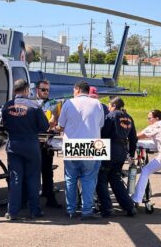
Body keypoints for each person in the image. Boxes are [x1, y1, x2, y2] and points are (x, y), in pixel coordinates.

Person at [2, 79, 49, 220]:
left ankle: (12, 212)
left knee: (15, 178)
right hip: (31, 145)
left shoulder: (6, 106)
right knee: (33, 178)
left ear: (14, 90)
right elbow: (44, 126)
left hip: (14, 145)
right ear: (27, 90)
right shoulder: (34, 106)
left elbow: (4, 125)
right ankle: (35, 211)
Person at [58, 80, 104, 219]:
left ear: (77, 89)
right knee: (89, 179)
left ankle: (71, 210)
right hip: (93, 144)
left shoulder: (68, 103)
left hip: (72, 144)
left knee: (70, 178)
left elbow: (61, 125)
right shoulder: (97, 104)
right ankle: (87, 211)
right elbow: (100, 124)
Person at [96, 97, 138, 217]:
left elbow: (103, 133)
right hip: (122, 151)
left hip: (110, 149)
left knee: (101, 178)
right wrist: (131, 153)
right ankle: (129, 206)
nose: (108, 108)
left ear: (113, 105)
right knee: (115, 178)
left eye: (109, 105)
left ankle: (107, 208)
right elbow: (133, 138)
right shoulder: (129, 117)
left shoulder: (111, 116)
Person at [36, 79, 62, 208]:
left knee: (47, 171)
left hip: (47, 143)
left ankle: (50, 198)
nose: (46, 92)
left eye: (48, 90)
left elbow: (54, 122)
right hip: (34, 142)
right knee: (33, 172)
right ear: (37, 90)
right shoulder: (31, 103)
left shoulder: (53, 104)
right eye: (43, 90)